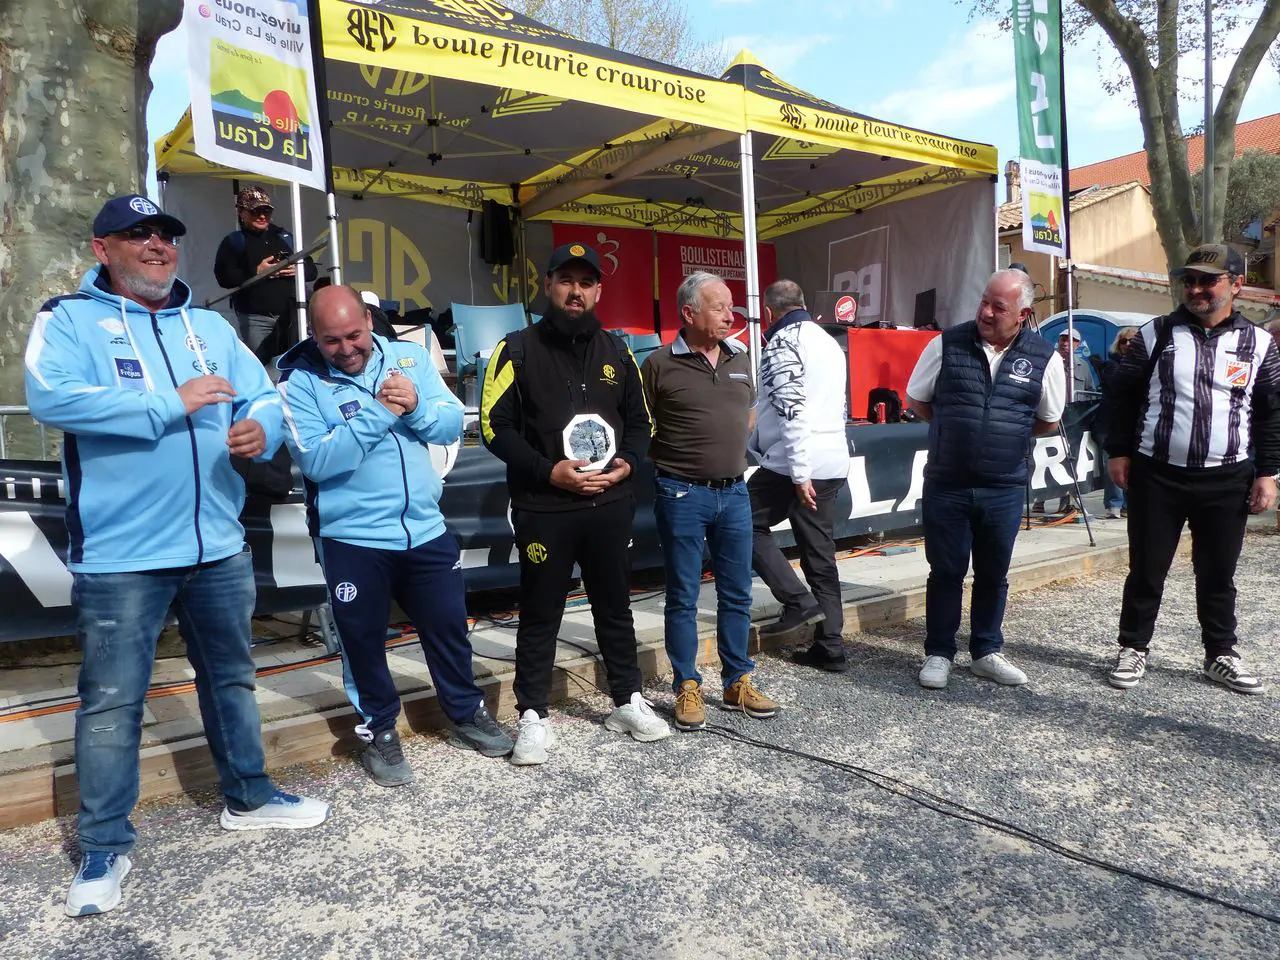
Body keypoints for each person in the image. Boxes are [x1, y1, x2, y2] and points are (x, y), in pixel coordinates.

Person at [24, 195, 329, 918]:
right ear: (103, 249)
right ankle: (104, 846)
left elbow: (264, 395)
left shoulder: (209, 327)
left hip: (217, 544)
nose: (157, 245)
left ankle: (248, 796)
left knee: (231, 679)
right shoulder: (67, 319)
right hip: (122, 556)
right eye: (138, 235)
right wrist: (172, 403)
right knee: (111, 703)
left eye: (166, 234)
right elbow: (51, 398)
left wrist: (260, 430)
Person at [277, 285, 513, 784]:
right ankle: (379, 731)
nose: (346, 349)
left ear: (369, 320)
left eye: (354, 335)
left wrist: (418, 407)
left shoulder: (409, 357)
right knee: (362, 642)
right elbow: (318, 461)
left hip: (424, 526)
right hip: (352, 537)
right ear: (314, 335)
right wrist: (382, 412)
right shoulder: (298, 381)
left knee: (448, 628)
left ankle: (465, 712)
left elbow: (450, 424)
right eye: (331, 340)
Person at [479, 243, 670, 764]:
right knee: (541, 612)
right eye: (566, 280)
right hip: (545, 507)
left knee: (615, 606)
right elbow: (495, 428)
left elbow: (642, 423)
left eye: (586, 282)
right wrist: (548, 471)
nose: (576, 291)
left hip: (609, 504)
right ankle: (532, 714)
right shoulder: (515, 349)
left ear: (598, 291)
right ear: (548, 286)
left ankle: (627, 700)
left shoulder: (619, 351)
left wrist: (627, 463)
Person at [1105, 244, 1280, 693]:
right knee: (1147, 569)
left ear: (1236, 285)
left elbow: (1270, 413)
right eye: (1190, 280)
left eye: (1208, 280)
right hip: (1157, 474)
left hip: (1227, 477)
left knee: (1218, 573)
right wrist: (1118, 451)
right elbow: (1121, 396)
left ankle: (1220, 654)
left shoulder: (1259, 344)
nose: (1197, 289)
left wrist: (1268, 473)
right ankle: (1133, 647)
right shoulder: (1156, 334)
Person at [905, 269, 1066, 690]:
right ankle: (939, 652)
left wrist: (1004, 434)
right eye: (984, 302)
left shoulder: (1044, 356)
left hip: (1004, 487)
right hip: (948, 482)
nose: (986, 313)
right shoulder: (947, 344)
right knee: (946, 570)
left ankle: (986, 651)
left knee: (994, 572)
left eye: (999, 307)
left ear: (1023, 314)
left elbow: (1049, 419)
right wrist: (955, 428)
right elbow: (918, 400)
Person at [641, 272, 780, 731]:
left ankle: (737, 680)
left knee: (737, 592)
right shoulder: (658, 364)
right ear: (688, 313)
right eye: (718, 307)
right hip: (681, 492)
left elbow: (750, 413)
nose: (729, 315)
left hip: (735, 491)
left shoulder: (741, 358)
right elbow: (640, 425)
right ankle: (686, 684)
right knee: (683, 594)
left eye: (730, 306)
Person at [749, 280, 852, 671]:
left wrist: (798, 472)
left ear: (769, 313)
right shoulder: (828, 340)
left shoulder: (783, 342)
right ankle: (831, 646)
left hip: (795, 462)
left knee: (739, 522)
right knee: (819, 554)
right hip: (831, 458)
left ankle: (797, 602)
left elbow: (791, 410)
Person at [213, 185, 317, 362]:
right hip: (256, 319)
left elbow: (312, 271)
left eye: (266, 211)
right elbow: (224, 278)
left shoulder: (285, 237)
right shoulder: (234, 241)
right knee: (262, 366)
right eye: (255, 211)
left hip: (291, 316)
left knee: (295, 363)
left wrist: (297, 269)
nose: (262, 216)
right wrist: (257, 272)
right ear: (241, 212)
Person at [1033, 329, 1094, 515]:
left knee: (1070, 460)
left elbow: (1089, 390)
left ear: (1077, 344)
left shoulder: (1082, 366)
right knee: (1045, 457)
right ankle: (1039, 500)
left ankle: (1066, 502)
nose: (1066, 343)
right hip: (1050, 418)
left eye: (1071, 340)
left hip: (1073, 420)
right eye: (1062, 339)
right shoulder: (1048, 361)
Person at [1098, 327, 1139, 519]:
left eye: (1132, 341)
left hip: (1136, 423)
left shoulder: (1143, 364)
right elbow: (1118, 389)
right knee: (1114, 462)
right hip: (1111, 424)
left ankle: (1129, 505)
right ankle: (1114, 504)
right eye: (1124, 341)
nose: (1128, 344)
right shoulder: (1111, 366)